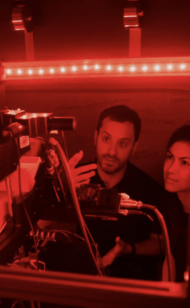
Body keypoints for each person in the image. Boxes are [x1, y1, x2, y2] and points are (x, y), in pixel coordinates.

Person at [67, 105, 165, 280]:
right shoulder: (75, 177)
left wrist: (129, 249)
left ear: (134, 147)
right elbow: (42, 227)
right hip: (79, 283)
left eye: (122, 143)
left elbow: (161, 243)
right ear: (96, 137)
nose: (112, 152)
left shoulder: (149, 189)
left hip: (130, 285)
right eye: (106, 139)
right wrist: (62, 189)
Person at [100, 123, 190, 283]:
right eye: (170, 157)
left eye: (184, 162)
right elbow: (169, 261)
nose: (171, 169)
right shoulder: (173, 208)